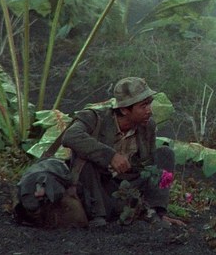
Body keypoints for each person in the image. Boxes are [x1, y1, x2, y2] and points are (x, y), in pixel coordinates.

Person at [62, 76, 185, 228]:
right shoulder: (94, 118)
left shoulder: (147, 126)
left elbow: (149, 166)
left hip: (127, 189)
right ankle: (97, 216)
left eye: (149, 104)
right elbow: (70, 136)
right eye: (143, 106)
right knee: (84, 156)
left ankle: (155, 213)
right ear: (124, 109)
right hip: (97, 188)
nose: (149, 110)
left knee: (165, 154)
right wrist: (110, 156)